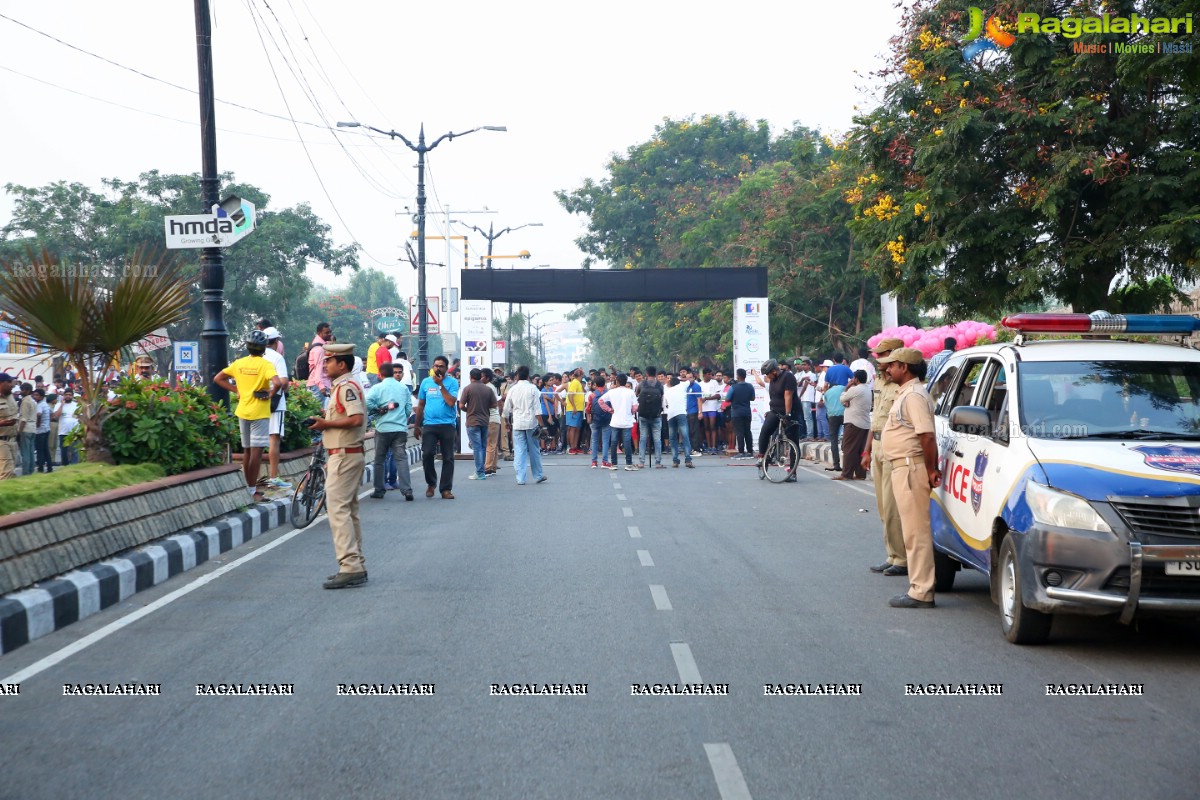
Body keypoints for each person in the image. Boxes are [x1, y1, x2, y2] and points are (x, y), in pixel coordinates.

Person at [877, 347, 941, 609]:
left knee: (916, 534)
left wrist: (929, 469)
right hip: (904, 467)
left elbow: (926, 435)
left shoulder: (913, 395)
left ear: (905, 367)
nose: (887, 370)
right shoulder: (906, 393)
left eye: (892, 365)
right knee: (912, 532)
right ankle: (920, 586)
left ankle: (922, 590)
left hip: (911, 467)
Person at [307, 343, 368, 589]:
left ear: (341, 364)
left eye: (329, 361)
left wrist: (325, 424)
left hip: (344, 455)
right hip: (345, 454)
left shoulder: (346, 387)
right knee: (348, 511)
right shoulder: (342, 386)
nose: (325, 364)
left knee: (337, 510)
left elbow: (356, 419)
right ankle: (355, 564)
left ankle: (350, 566)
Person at [213, 330, 281, 502]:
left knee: (247, 452)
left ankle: (248, 489)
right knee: (257, 453)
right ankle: (252, 490)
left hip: (243, 411)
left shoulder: (239, 363)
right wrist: (271, 393)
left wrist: (237, 390)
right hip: (259, 412)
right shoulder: (266, 365)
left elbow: (218, 378)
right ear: (264, 347)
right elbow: (278, 382)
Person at [861, 337, 907, 576]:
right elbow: (875, 418)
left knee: (892, 507)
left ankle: (901, 558)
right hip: (877, 442)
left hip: (892, 445)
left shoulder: (903, 385)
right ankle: (892, 554)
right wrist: (867, 449)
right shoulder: (879, 380)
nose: (878, 360)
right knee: (882, 506)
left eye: (882, 355)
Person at [413, 354, 460, 499]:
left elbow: (451, 402)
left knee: (448, 457)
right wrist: (416, 425)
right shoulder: (426, 383)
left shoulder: (452, 383)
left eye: (441, 366)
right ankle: (431, 483)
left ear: (446, 368)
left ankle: (445, 489)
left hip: (447, 425)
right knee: (427, 454)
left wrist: (440, 385)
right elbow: (421, 404)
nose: (438, 368)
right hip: (429, 425)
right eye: (436, 366)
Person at [366, 362, 413, 500]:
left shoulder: (377, 388)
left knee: (379, 460)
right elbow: (408, 408)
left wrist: (378, 409)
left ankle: (379, 490)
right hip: (400, 429)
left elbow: (367, 402)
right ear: (393, 373)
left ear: (380, 374)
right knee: (401, 459)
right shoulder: (403, 388)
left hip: (383, 428)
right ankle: (407, 490)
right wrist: (402, 417)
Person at [503, 365, 547, 485]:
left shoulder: (512, 389)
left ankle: (520, 478)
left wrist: (507, 423)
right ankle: (538, 475)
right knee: (534, 450)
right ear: (528, 376)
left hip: (517, 423)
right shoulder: (533, 389)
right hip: (531, 423)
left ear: (517, 376)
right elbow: (537, 410)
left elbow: (506, 410)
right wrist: (542, 425)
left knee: (519, 451)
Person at [757, 359, 800, 482]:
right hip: (775, 411)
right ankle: (761, 458)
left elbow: (788, 396)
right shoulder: (773, 379)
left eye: (768, 374)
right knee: (765, 432)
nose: (767, 377)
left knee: (793, 441)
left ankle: (793, 473)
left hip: (790, 411)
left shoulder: (788, 377)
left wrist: (788, 414)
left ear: (774, 371)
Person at [260, 327, 291, 489]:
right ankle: (273, 477)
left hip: (256, 402)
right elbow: (284, 382)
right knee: (273, 439)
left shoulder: (254, 356)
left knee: (255, 441)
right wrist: (284, 390)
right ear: (276, 341)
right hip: (275, 403)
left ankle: (252, 479)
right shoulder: (277, 357)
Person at [459, 368, 496, 481]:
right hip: (485, 421)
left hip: (472, 421)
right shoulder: (488, 389)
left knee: (476, 447)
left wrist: (468, 409)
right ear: (480, 376)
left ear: (471, 377)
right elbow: (494, 404)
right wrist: (483, 408)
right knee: (483, 446)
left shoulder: (467, 389)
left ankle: (479, 472)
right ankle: (482, 470)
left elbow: (461, 406)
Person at [837, 370, 871, 481]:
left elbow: (842, 398)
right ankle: (861, 474)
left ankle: (846, 474)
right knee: (860, 449)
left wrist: (847, 387)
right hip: (865, 423)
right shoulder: (867, 389)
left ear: (856, 379)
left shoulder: (855, 389)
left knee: (848, 448)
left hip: (853, 422)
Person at [599, 373, 638, 471]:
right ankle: (628, 464)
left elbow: (600, 401)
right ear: (626, 381)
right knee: (627, 442)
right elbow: (635, 406)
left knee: (613, 442)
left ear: (617, 381)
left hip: (615, 420)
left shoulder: (612, 392)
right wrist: (631, 412)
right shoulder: (630, 392)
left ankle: (614, 464)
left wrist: (609, 409)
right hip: (627, 420)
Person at [636, 366, 665, 468]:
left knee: (643, 438)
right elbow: (662, 397)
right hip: (656, 415)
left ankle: (641, 462)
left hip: (643, 415)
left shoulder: (641, 384)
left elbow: (637, 395)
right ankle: (658, 462)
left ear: (646, 374)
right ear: (656, 374)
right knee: (657, 439)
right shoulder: (660, 385)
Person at [664, 373, 693, 468]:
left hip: (671, 415)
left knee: (672, 438)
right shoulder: (682, 386)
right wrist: (681, 379)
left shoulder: (667, 392)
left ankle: (675, 461)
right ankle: (688, 459)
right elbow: (690, 379)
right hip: (681, 413)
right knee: (685, 436)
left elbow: (666, 404)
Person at [727, 369, 756, 457]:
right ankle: (750, 451)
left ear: (738, 376)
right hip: (747, 412)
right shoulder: (750, 386)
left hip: (736, 413)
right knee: (747, 431)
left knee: (739, 432)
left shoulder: (733, 387)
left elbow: (727, 399)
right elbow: (753, 398)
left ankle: (741, 452)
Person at [586, 374, 613, 469]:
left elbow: (588, 408)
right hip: (607, 419)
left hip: (595, 420)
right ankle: (605, 461)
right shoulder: (609, 393)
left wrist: (589, 417)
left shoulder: (592, 395)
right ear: (604, 383)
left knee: (594, 441)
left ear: (595, 384)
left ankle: (594, 462)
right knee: (605, 441)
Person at [306, 322, 333, 408]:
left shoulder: (321, 345)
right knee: (318, 412)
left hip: (317, 384)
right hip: (319, 385)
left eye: (330, 332)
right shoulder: (319, 349)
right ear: (319, 333)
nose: (329, 334)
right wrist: (321, 386)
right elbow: (318, 368)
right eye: (326, 333)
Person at [52, 387, 80, 467]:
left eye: (70, 395)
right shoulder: (58, 405)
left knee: (74, 451)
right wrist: (61, 405)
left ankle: (74, 467)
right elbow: (56, 416)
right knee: (64, 452)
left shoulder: (76, 405)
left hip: (74, 432)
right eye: (66, 395)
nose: (68, 396)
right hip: (63, 432)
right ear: (64, 395)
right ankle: (65, 467)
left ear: (72, 396)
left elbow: (80, 417)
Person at [0, 373, 21, 479]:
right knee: (6, 474)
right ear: (1, 383)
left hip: (13, 440)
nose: (11, 384)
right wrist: (1, 423)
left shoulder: (11, 396)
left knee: (11, 473)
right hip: (1, 441)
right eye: (8, 382)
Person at [563, 368, 586, 454]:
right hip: (573, 409)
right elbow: (570, 395)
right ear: (580, 375)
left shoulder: (578, 383)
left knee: (577, 429)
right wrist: (574, 407)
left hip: (579, 409)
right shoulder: (574, 383)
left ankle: (575, 446)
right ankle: (571, 447)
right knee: (572, 428)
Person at [17, 382, 37, 476]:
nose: (21, 392)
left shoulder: (25, 401)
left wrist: (19, 431)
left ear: (27, 390)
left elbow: (23, 419)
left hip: (25, 428)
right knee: (31, 452)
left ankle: (26, 473)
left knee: (25, 453)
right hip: (33, 428)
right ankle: (31, 472)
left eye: (23, 390)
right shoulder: (33, 401)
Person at [32, 389, 52, 473]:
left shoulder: (39, 405)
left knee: (40, 450)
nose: (35, 396)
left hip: (40, 431)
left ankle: (40, 467)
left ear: (42, 396)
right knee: (45, 449)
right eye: (34, 395)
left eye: (37, 395)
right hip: (46, 429)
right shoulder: (46, 404)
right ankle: (49, 467)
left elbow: (38, 414)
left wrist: (37, 425)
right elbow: (52, 413)